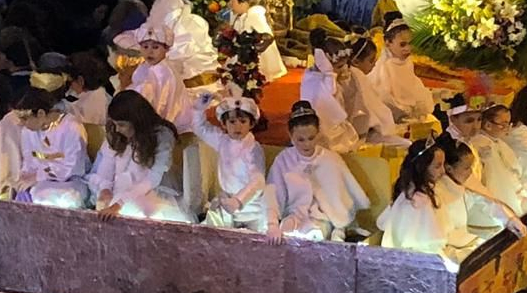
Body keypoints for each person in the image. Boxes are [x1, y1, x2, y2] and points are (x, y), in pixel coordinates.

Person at [269, 101, 369, 241]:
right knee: (286, 233)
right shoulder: (284, 160)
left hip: (323, 216)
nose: (307, 144)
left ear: (318, 133)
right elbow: (273, 193)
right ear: (291, 136)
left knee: (315, 236)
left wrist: (339, 221)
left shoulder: (330, 158)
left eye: (311, 138)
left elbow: (339, 196)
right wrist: (272, 222)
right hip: (296, 214)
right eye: (300, 140)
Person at [90, 90, 189, 222]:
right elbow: (107, 164)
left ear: (136, 121)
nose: (117, 129)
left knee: (138, 211)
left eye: (122, 125)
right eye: (115, 124)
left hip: (151, 191)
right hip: (120, 190)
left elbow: (153, 179)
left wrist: (120, 203)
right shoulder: (116, 134)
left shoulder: (161, 136)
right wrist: (105, 189)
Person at [190, 92, 275, 233]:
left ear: (251, 123)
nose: (238, 127)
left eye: (243, 122)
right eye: (232, 122)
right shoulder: (222, 141)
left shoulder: (253, 148)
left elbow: (258, 180)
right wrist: (199, 110)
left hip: (252, 207)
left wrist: (239, 200)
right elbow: (201, 129)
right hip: (227, 204)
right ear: (224, 123)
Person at [378, 137, 470, 261]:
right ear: (423, 167)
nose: (443, 171)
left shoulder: (424, 192)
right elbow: (427, 244)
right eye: (437, 166)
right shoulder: (418, 201)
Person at [12, 87, 90, 209]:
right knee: (23, 196)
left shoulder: (72, 127)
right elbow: (29, 161)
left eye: (24, 119)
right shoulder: (27, 132)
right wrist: (24, 176)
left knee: (57, 200)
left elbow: (73, 167)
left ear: (41, 114)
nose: (21, 123)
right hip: (40, 183)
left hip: (71, 183)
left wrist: (39, 176)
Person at [371, 20, 437, 126]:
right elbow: (385, 94)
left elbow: (411, 85)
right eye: (402, 45)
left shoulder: (408, 62)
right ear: (388, 43)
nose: (407, 49)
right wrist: (402, 109)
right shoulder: (387, 66)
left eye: (410, 44)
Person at [228, 0, 288, 83]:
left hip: (258, 60)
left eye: (233, 0)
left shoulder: (254, 15)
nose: (230, 3)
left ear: (243, 3)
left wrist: (253, 49)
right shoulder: (241, 16)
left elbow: (267, 37)